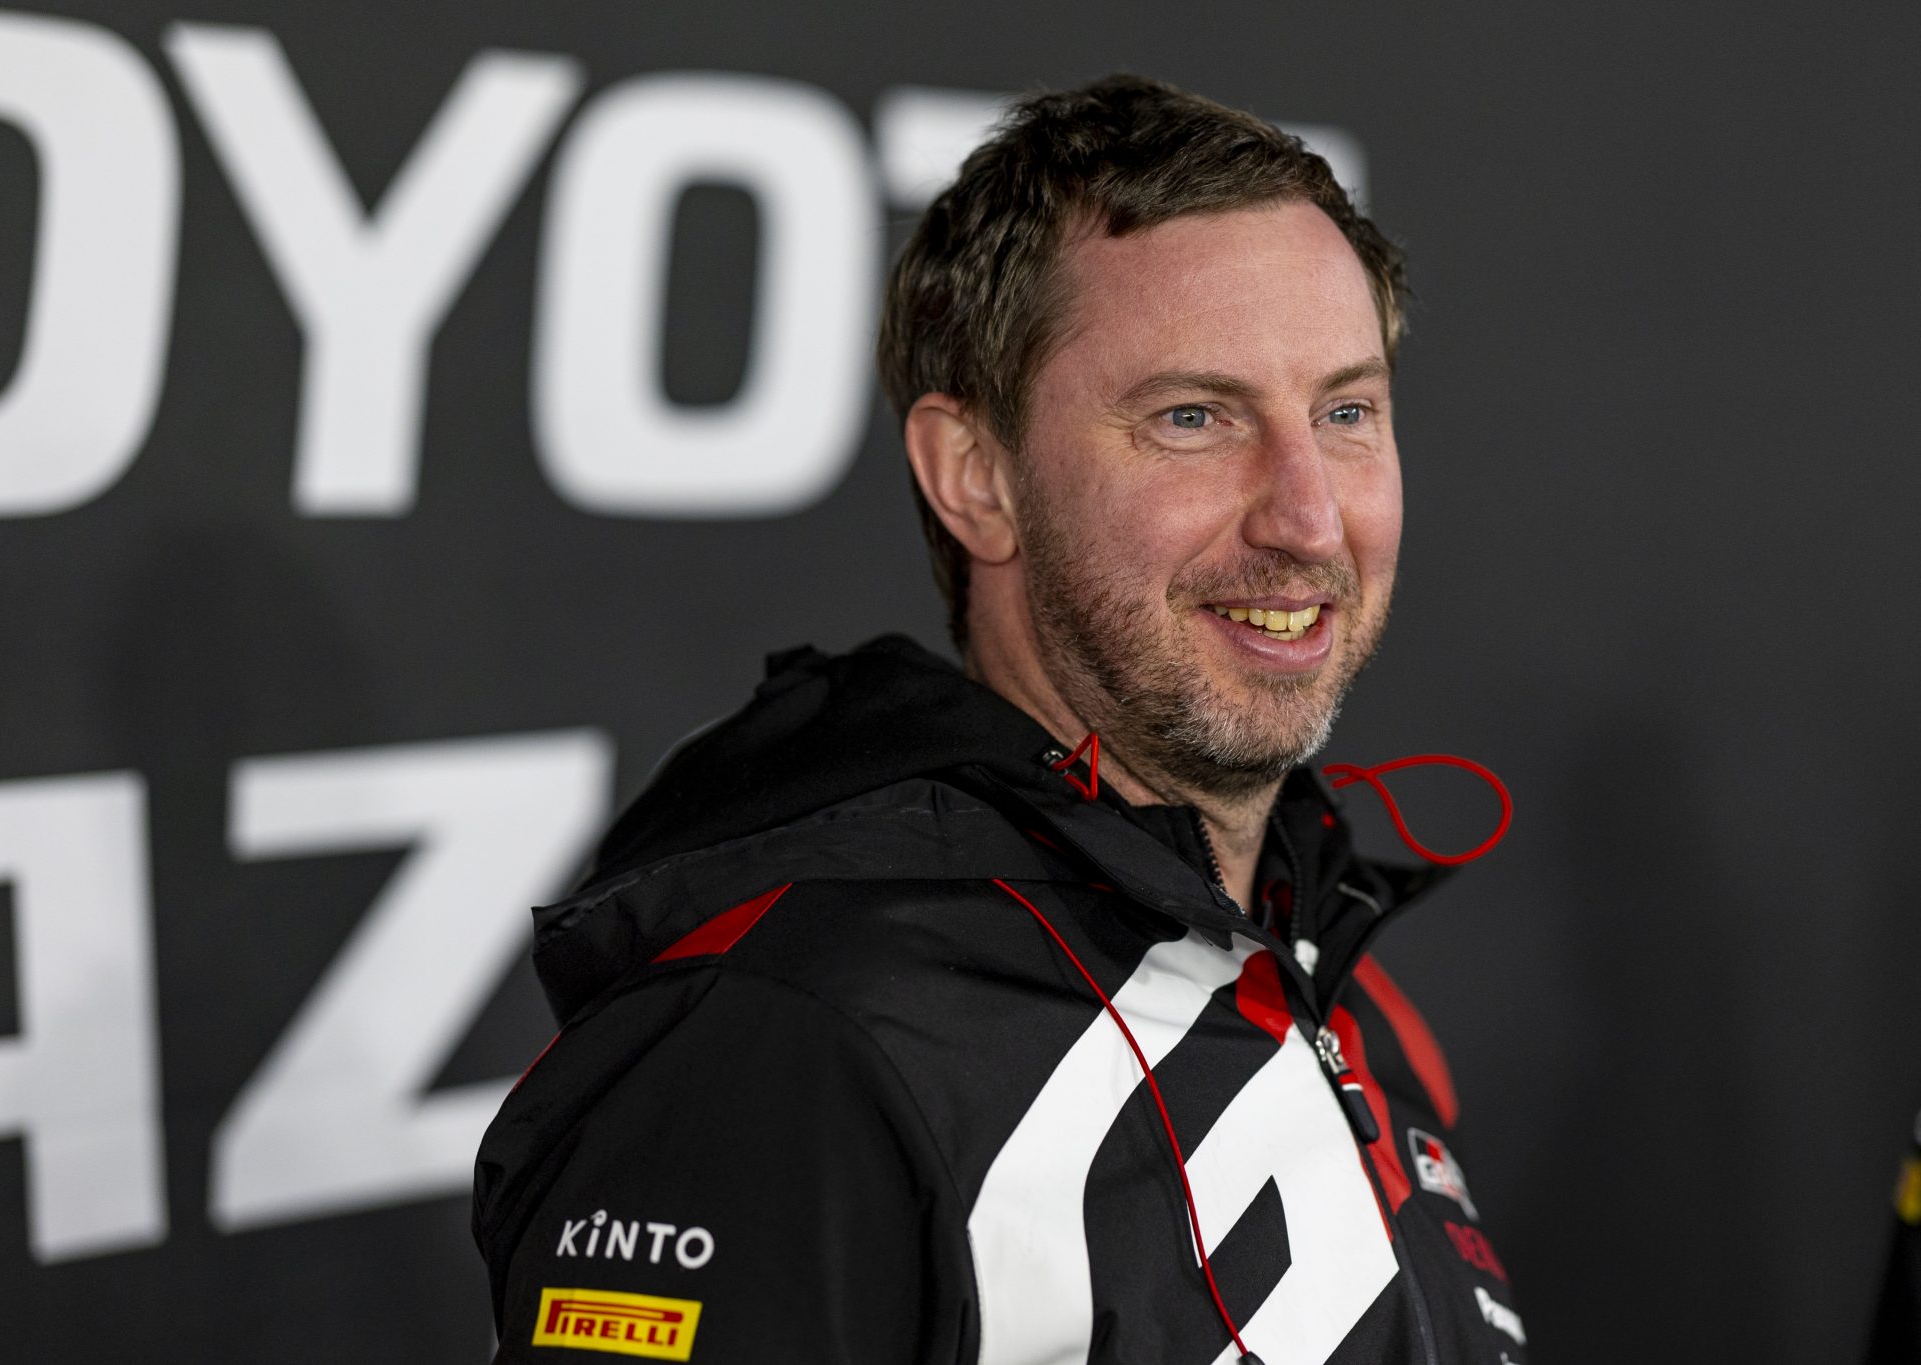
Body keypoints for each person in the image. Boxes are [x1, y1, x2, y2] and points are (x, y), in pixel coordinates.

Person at [474, 74, 1524, 1364]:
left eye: (1346, 412)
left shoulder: (1330, 973)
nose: (1309, 518)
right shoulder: (789, 1036)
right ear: (977, 478)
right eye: (1194, 418)